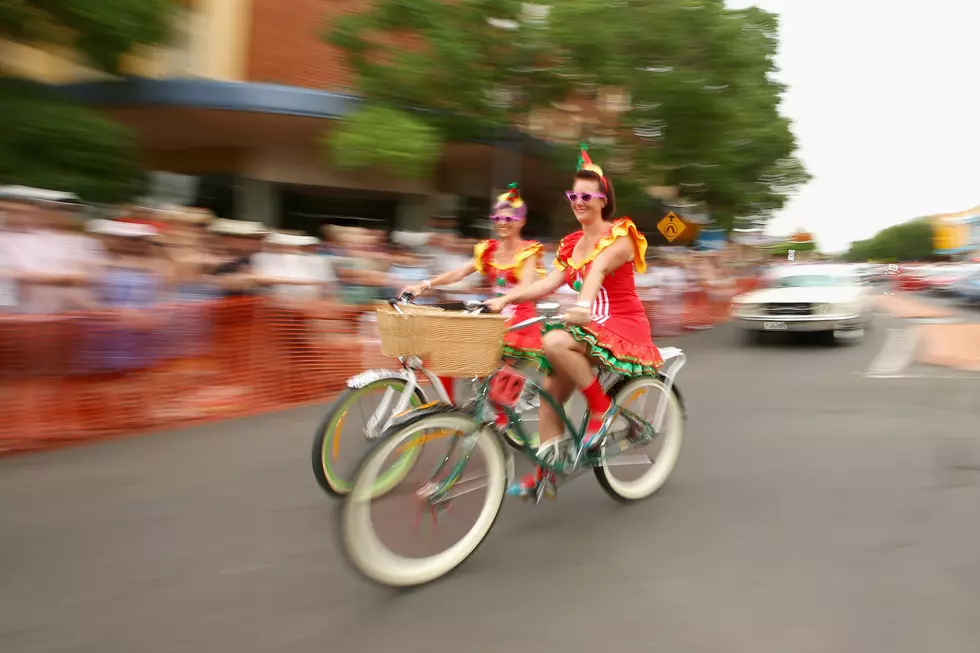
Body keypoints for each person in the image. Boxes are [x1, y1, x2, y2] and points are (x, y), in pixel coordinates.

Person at [485, 145, 663, 498]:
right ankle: (547, 472)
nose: (578, 201)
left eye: (586, 195)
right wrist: (506, 298)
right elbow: (547, 284)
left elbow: (598, 268)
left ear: (602, 199)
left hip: (622, 324)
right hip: (588, 326)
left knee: (553, 341)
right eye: (573, 194)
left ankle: (601, 406)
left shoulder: (621, 234)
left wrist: (582, 305)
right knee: (551, 395)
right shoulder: (570, 244)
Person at [402, 183, 548, 405]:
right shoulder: (488, 250)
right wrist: (424, 284)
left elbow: (527, 287)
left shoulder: (528, 252)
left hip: (518, 318)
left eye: (509, 219)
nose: (503, 223)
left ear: (521, 221)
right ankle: (447, 408)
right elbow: (460, 272)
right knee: (445, 352)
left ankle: (503, 414)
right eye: (498, 219)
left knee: (488, 373)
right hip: (493, 315)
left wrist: (504, 299)